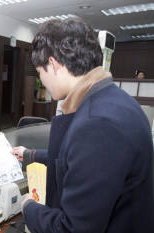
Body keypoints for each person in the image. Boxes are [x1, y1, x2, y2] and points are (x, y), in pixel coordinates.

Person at [12, 18, 154, 233]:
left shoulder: (97, 124)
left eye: (40, 71)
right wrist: (31, 155)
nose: (42, 80)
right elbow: (81, 161)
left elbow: (73, 228)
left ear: (53, 64)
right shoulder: (115, 100)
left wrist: (29, 207)